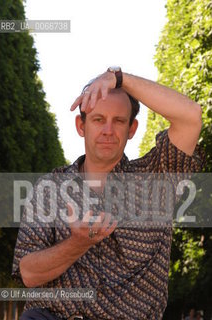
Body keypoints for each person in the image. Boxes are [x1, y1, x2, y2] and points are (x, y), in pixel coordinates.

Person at [12, 67, 205, 320]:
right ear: (81, 126)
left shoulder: (157, 178)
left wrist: (119, 78)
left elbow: (191, 116)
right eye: (98, 119)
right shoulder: (50, 189)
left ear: (132, 129)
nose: (108, 130)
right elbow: (28, 273)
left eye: (119, 121)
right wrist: (78, 244)